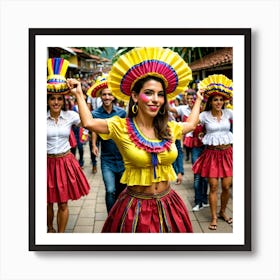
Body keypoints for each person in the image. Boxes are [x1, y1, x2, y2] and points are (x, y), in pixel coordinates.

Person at [67, 47, 204, 233]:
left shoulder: (170, 128)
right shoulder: (120, 126)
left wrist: (198, 100)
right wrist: (78, 95)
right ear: (134, 96)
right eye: (149, 92)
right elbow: (89, 122)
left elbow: (192, 124)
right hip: (135, 208)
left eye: (160, 94)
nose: (155, 99)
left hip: (169, 203)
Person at [46, 57, 90, 233]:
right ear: (47, 100)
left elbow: (88, 121)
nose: (56, 102)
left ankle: (61, 235)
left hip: (65, 162)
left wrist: (78, 93)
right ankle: (49, 229)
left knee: (63, 202)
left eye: (59, 98)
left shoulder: (71, 116)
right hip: (45, 163)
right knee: (47, 201)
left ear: (64, 100)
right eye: (52, 98)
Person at [192, 74, 233, 230]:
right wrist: (198, 99)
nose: (219, 102)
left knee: (227, 186)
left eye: (221, 100)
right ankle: (214, 217)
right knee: (213, 186)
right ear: (210, 101)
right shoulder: (204, 115)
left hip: (227, 153)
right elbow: (191, 122)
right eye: (215, 99)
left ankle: (223, 212)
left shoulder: (229, 113)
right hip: (211, 154)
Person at [87, 74, 127, 213]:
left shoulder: (122, 113)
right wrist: (93, 145)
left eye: (110, 94)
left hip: (123, 159)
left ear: (114, 96)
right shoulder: (95, 113)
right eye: (104, 95)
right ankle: (111, 217)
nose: (107, 97)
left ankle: (120, 215)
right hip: (107, 159)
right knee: (110, 190)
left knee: (122, 191)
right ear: (100, 96)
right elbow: (94, 130)